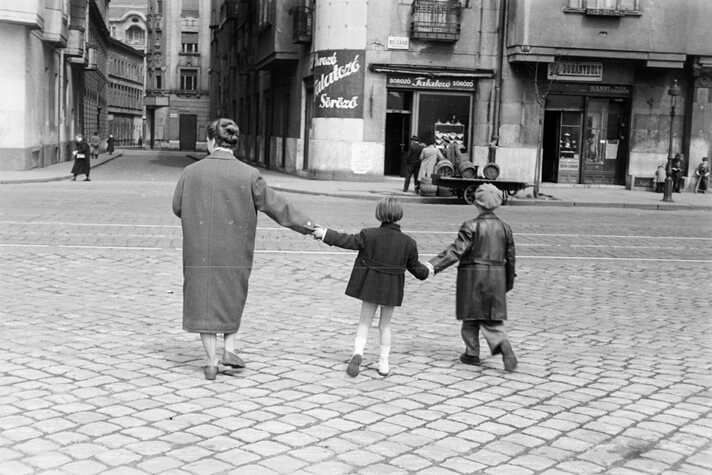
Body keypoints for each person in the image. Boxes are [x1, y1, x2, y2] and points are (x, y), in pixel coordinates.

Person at [172, 118, 316, 380]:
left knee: (204, 300)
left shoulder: (190, 172)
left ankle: (212, 362)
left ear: (211, 141)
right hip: (234, 248)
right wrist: (309, 226)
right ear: (234, 143)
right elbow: (277, 206)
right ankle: (230, 350)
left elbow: (177, 207)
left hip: (199, 249)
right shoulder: (249, 174)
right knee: (231, 296)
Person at [312, 198, 430, 377]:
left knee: (364, 323)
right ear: (399, 214)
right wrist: (429, 270)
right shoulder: (409, 243)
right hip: (392, 289)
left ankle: (358, 352)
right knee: (385, 326)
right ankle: (384, 363)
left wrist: (324, 233)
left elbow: (346, 240)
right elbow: (417, 270)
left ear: (379, 214)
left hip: (370, 286)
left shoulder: (368, 235)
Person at [425, 183, 518, 372]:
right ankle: (498, 348)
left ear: (476, 203)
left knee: (470, 317)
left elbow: (456, 251)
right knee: (492, 317)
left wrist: (433, 266)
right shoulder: (505, 228)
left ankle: (475, 352)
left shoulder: (471, 226)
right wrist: (508, 282)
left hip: (472, 278)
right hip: (497, 277)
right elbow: (511, 258)